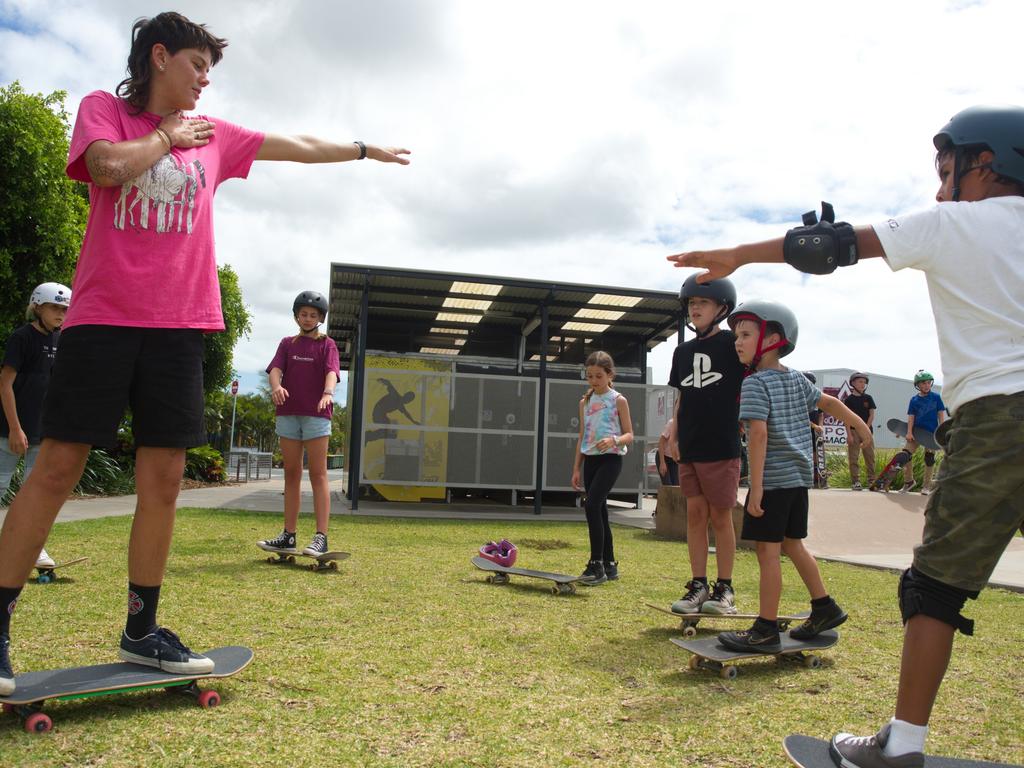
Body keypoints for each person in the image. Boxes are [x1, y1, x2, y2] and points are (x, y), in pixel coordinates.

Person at [0, 10, 409, 696]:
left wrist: (362, 149)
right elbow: (104, 167)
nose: (204, 82)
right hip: (103, 320)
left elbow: (296, 143)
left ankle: (142, 630)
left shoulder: (215, 138)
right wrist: (165, 136)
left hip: (179, 327)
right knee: (56, 470)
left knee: (163, 482)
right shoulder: (108, 110)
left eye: (210, 72)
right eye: (196, 66)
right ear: (159, 57)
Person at [667, 105, 1024, 768]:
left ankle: (902, 746)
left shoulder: (952, 222)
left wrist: (739, 254)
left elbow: (830, 246)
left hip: (999, 419)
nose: (940, 191)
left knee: (935, 588)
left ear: (987, 164)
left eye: (947, 172)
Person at [715, 300, 869, 655]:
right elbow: (828, 404)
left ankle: (766, 628)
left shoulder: (755, 384)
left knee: (767, 552)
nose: (737, 341)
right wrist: (858, 423)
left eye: (746, 334)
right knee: (792, 545)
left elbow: (758, 435)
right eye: (736, 335)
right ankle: (824, 607)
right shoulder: (798, 378)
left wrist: (756, 488)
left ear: (773, 338)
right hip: (799, 479)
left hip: (773, 481)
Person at [668, 274, 746, 616]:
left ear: (722, 308)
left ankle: (724, 588)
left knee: (721, 516)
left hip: (723, 444)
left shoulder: (734, 344)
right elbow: (681, 396)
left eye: (702, 303)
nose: (694, 308)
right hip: (691, 444)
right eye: (691, 303)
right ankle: (698, 584)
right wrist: (673, 434)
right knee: (695, 515)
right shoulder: (682, 351)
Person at [258, 291, 340, 557]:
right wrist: (276, 387)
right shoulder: (287, 343)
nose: (307, 318)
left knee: (318, 474)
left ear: (320, 318)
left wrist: (328, 393)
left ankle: (321, 537)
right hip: (288, 414)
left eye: (313, 315)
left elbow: (331, 372)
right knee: (291, 473)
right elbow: (275, 369)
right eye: (303, 314)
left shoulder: (327, 344)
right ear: (296, 316)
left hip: (317, 415)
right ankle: (288, 535)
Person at [0, 283, 72, 571]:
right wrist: (15, 429)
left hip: (43, 433)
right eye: (55, 308)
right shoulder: (22, 338)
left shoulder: (59, 340)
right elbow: (5, 383)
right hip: (9, 431)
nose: (60, 314)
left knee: (35, 494)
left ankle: (33, 549)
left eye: (65, 309)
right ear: (38, 306)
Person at [570, 351, 633, 585]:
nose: (594, 381)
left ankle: (595, 565)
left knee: (592, 504)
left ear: (609, 375)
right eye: (589, 376)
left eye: (598, 376)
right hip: (591, 460)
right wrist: (577, 468)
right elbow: (582, 436)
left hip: (611, 459)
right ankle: (609, 563)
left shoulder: (618, 400)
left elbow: (630, 434)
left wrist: (614, 440)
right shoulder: (584, 402)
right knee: (601, 511)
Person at [901, 370, 946, 495]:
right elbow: (911, 417)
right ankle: (909, 481)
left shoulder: (936, 397)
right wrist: (909, 432)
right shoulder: (914, 400)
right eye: (923, 383)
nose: (926, 385)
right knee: (905, 454)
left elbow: (941, 414)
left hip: (931, 433)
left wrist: (941, 430)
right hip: (916, 432)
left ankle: (926, 486)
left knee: (929, 458)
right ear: (918, 385)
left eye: (928, 383)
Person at [842, 372, 876, 490]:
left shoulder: (868, 398)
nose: (863, 384)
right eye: (860, 381)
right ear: (853, 383)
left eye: (864, 382)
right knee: (853, 457)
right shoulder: (849, 400)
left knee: (870, 457)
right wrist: (849, 434)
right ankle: (855, 481)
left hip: (867, 431)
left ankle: (872, 480)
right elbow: (846, 418)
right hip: (853, 431)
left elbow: (872, 415)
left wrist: (866, 428)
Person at [803, 371, 827, 489]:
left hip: (816, 432)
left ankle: (819, 480)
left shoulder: (817, 397)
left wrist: (820, 426)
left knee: (817, 455)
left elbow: (821, 414)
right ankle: (807, 479)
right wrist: (814, 426)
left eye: (811, 383)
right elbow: (801, 416)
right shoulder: (800, 398)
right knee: (806, 455)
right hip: (803, 431)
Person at [656, 416, 679, 485]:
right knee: (668, 485)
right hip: (664, 456)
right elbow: (661, 442)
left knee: (676, 485)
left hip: (675, 460)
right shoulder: (672, 423)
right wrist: (662, 463)